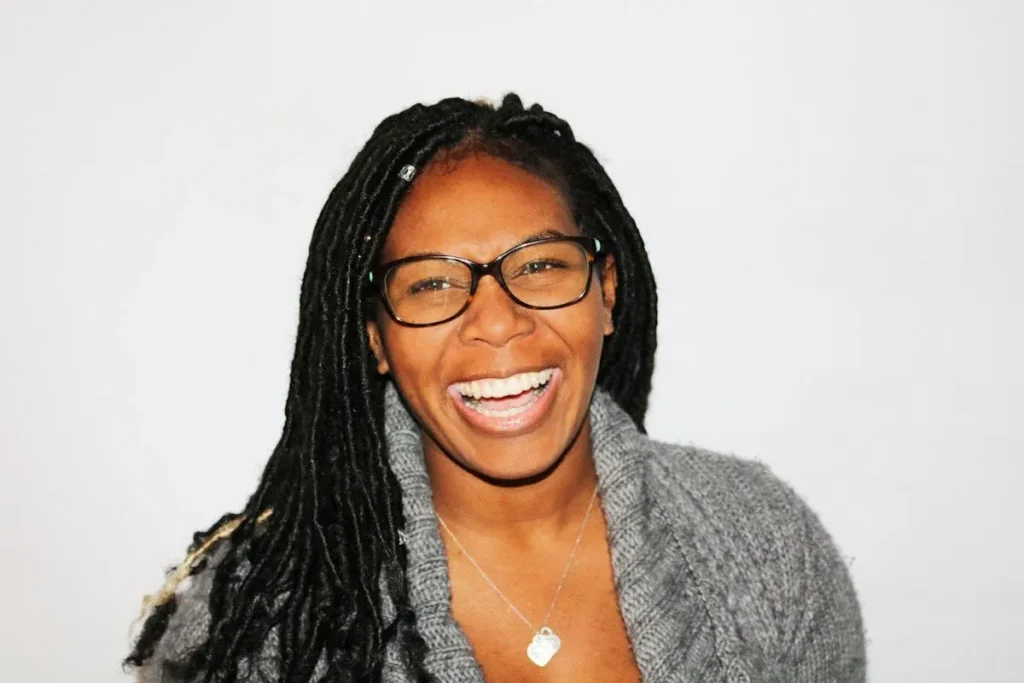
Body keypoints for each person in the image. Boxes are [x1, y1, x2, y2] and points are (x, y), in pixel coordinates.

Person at [125, 94, 866, 683]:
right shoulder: (263, 626)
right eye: (432, 283)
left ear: (607, 291)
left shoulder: (764, 545)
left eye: (539, 266)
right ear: (375, 337)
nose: (498, 322)